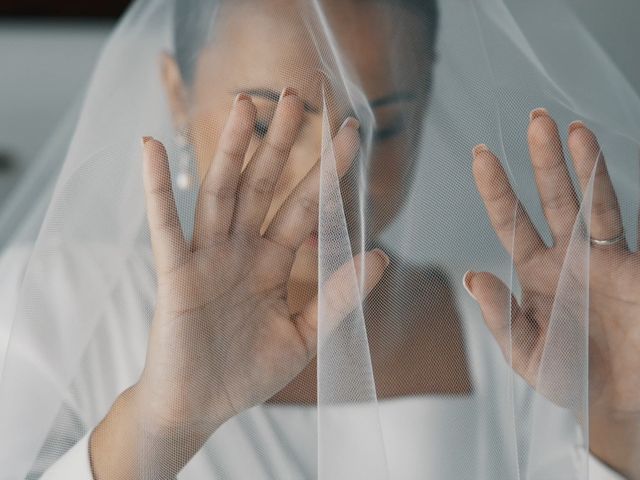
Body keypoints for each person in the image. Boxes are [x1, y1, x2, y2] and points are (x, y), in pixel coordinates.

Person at [0, 0, 638, 478]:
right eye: (269, 123)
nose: (330, 182)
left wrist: (617, 419)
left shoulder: (526, 338)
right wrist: (160, 427)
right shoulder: (44, 304)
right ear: (176, 93)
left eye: (381, 128)